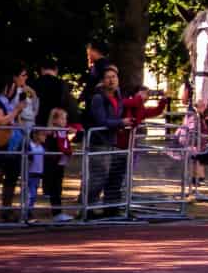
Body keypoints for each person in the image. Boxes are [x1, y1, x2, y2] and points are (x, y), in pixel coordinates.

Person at [85, 65, 133, 216]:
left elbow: (115, 118)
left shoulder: (118, 97)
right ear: (102, 81)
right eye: (108, 77)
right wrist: (121, 123)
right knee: (98, 178)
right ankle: (88, 209)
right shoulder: (98, 98)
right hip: (99, 142)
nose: (111, 80)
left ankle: (111, 208)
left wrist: (123, 123)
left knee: (114, 176)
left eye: (114, 77)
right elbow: (101, 121)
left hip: (112, 142)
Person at [0, 68, 29, 222]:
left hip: (12, 145)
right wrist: (16, 110)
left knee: (10, 180)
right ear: (6, 87)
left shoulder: (11, 102)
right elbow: (1, 120)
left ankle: (7, 210)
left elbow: (14, 122)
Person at [44, 108, 76, 222]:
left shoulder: (64, 131)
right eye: (62, 118)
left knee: (58, 187)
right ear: (54, 120)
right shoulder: (52, 132)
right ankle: (56, 213)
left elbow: (72, 132)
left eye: (65, 118)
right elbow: (50, 139)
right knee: (54, 188)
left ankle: (58, 212)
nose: (65, 121)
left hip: (61, 163)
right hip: (53, 163)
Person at [32, 60, 74, 128]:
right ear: (56, 70)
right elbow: (67, 104)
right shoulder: (62, 84)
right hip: (56, 124)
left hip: (36, 122)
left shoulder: (34, 83)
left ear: (42, 69)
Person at [24, 129, 46, 218]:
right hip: (30, 173)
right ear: (35, 135)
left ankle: (29, 211)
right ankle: (26, 212)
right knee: (30, 194)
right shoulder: (30, 146)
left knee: (34, 194)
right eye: (42, 134)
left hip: (38, 173)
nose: (44, 136)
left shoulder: (42, 147)